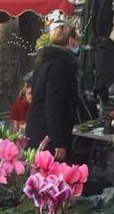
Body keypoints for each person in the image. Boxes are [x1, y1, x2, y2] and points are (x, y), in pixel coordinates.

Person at [26, 22, 80, 162]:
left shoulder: (44, 62)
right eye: (76, 40)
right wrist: (59, 142)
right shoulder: (60, 66)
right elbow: (53, 105)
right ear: (70, 40)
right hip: (48, 135)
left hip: (38, 129)